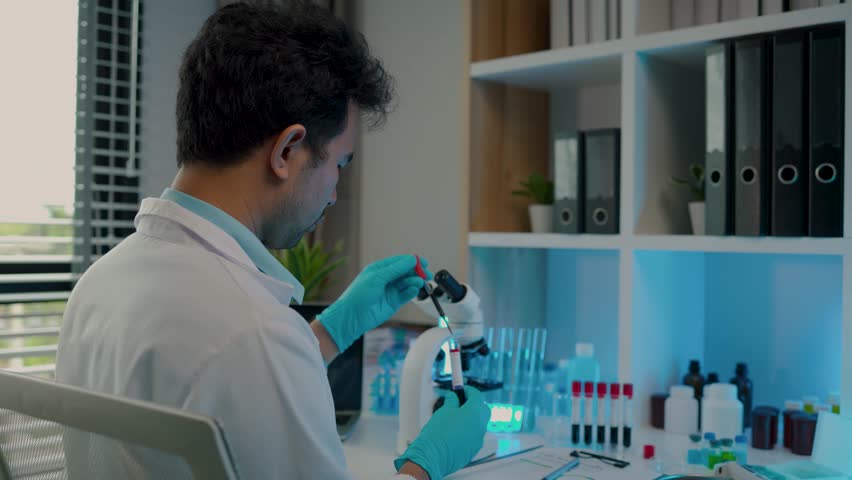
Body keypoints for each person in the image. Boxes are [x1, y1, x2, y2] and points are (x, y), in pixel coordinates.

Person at [55, 2, 489, 479]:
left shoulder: (98, 284)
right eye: (338, 165)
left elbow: (213, 387)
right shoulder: (253, 331)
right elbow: (242, 351)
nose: (334, 194)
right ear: (286, 151)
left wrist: (327, 333)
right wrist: (426, 466)